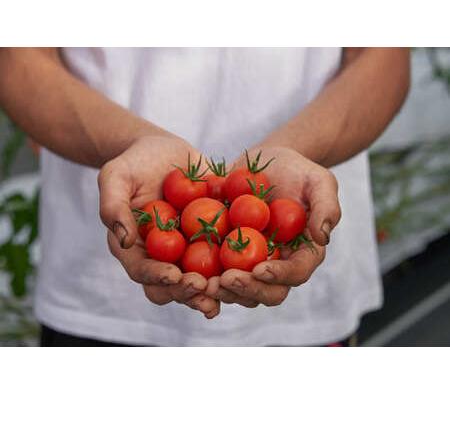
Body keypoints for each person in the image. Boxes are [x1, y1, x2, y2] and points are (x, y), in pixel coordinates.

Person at [0, 48, 410, 346]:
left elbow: (383, 60)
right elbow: (19, 62)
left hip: (307, 294)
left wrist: (297, 152)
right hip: (97, 296)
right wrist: (131, 142)